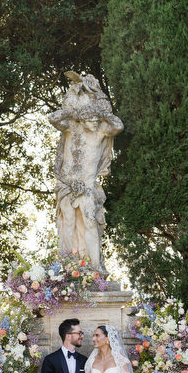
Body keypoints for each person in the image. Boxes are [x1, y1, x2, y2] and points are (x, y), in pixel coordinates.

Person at [49, 73, 123, 275]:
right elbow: (53, 118)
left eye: (95, 119)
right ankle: (68, 270)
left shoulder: (100, 132)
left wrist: (101, 111)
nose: (93, 122)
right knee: (68, 226)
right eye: (89, 118)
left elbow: (118, 125)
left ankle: (96, 268)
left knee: (90, 223)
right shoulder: (72, 130)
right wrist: (71, 110)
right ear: (82, 119)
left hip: (88, 186)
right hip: (67, 184)